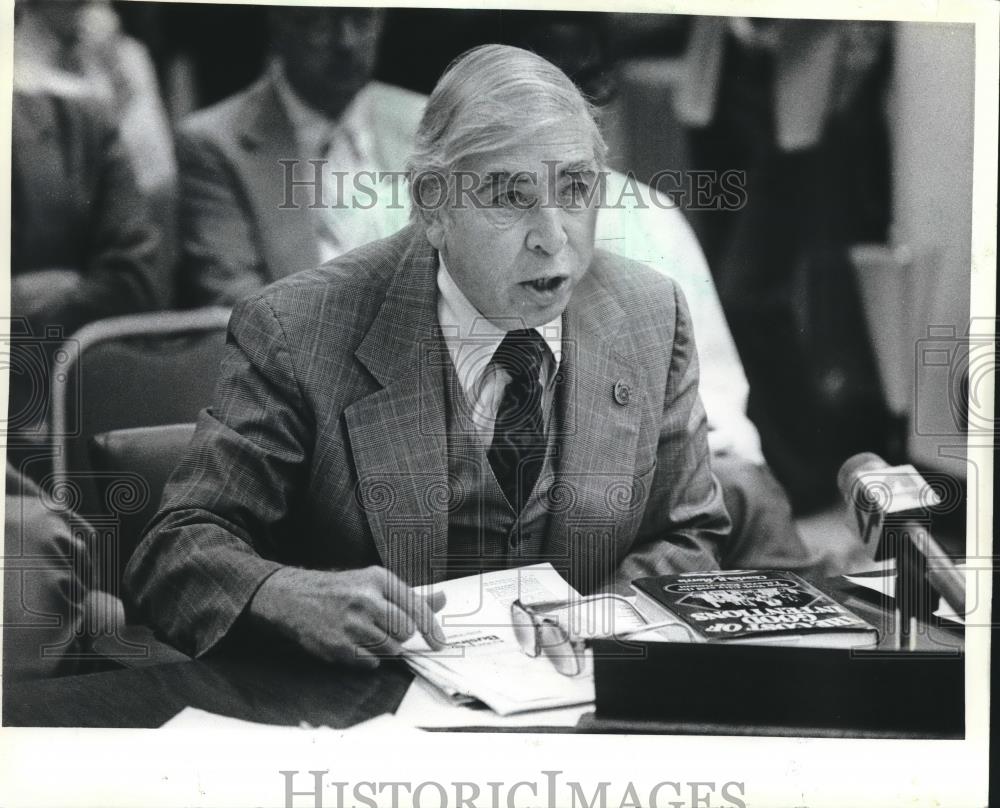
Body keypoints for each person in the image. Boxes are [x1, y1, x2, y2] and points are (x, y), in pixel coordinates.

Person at [124, 45, 731, 667]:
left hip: (570, 703)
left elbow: (689, 533)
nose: (554, 236)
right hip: (365, 720)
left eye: (575, 188)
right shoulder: (297, 329)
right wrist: (285, 593)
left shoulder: (650, 314)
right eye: (510, 196)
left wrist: (600, 619)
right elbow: (172, 553)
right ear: (434, 207)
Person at [174, 6, 421, 306]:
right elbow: (237, 301)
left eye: (362, 18)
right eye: (319, 21)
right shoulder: (213, 143)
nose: (347, 42)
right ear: (278, 24)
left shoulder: (428, 119)